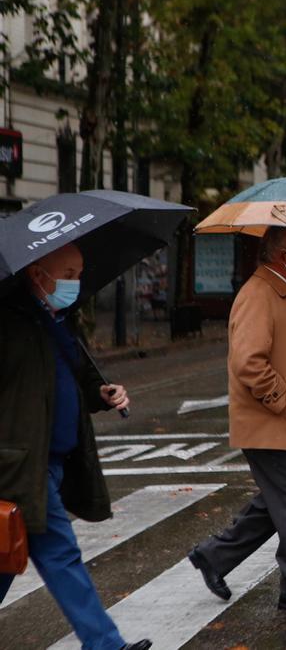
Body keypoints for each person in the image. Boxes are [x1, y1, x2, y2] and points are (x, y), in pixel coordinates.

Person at [0, 243, 151, 650]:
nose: (75, 282)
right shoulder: (9, 322)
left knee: (6, 556)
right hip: (19, 465)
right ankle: (104, 644)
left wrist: (101, 393)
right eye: (68, 272)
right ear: (36, 273)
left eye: (79, 271)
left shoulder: (57, 320)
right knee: (59, 552)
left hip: (50, 460)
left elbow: (69, 381)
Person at [187, 227, 286, 613]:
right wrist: (284, 400)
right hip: (274, 424)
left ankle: (214, 557)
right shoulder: (259, 295)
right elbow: (248, 362)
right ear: (283, 255)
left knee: (277, 502)